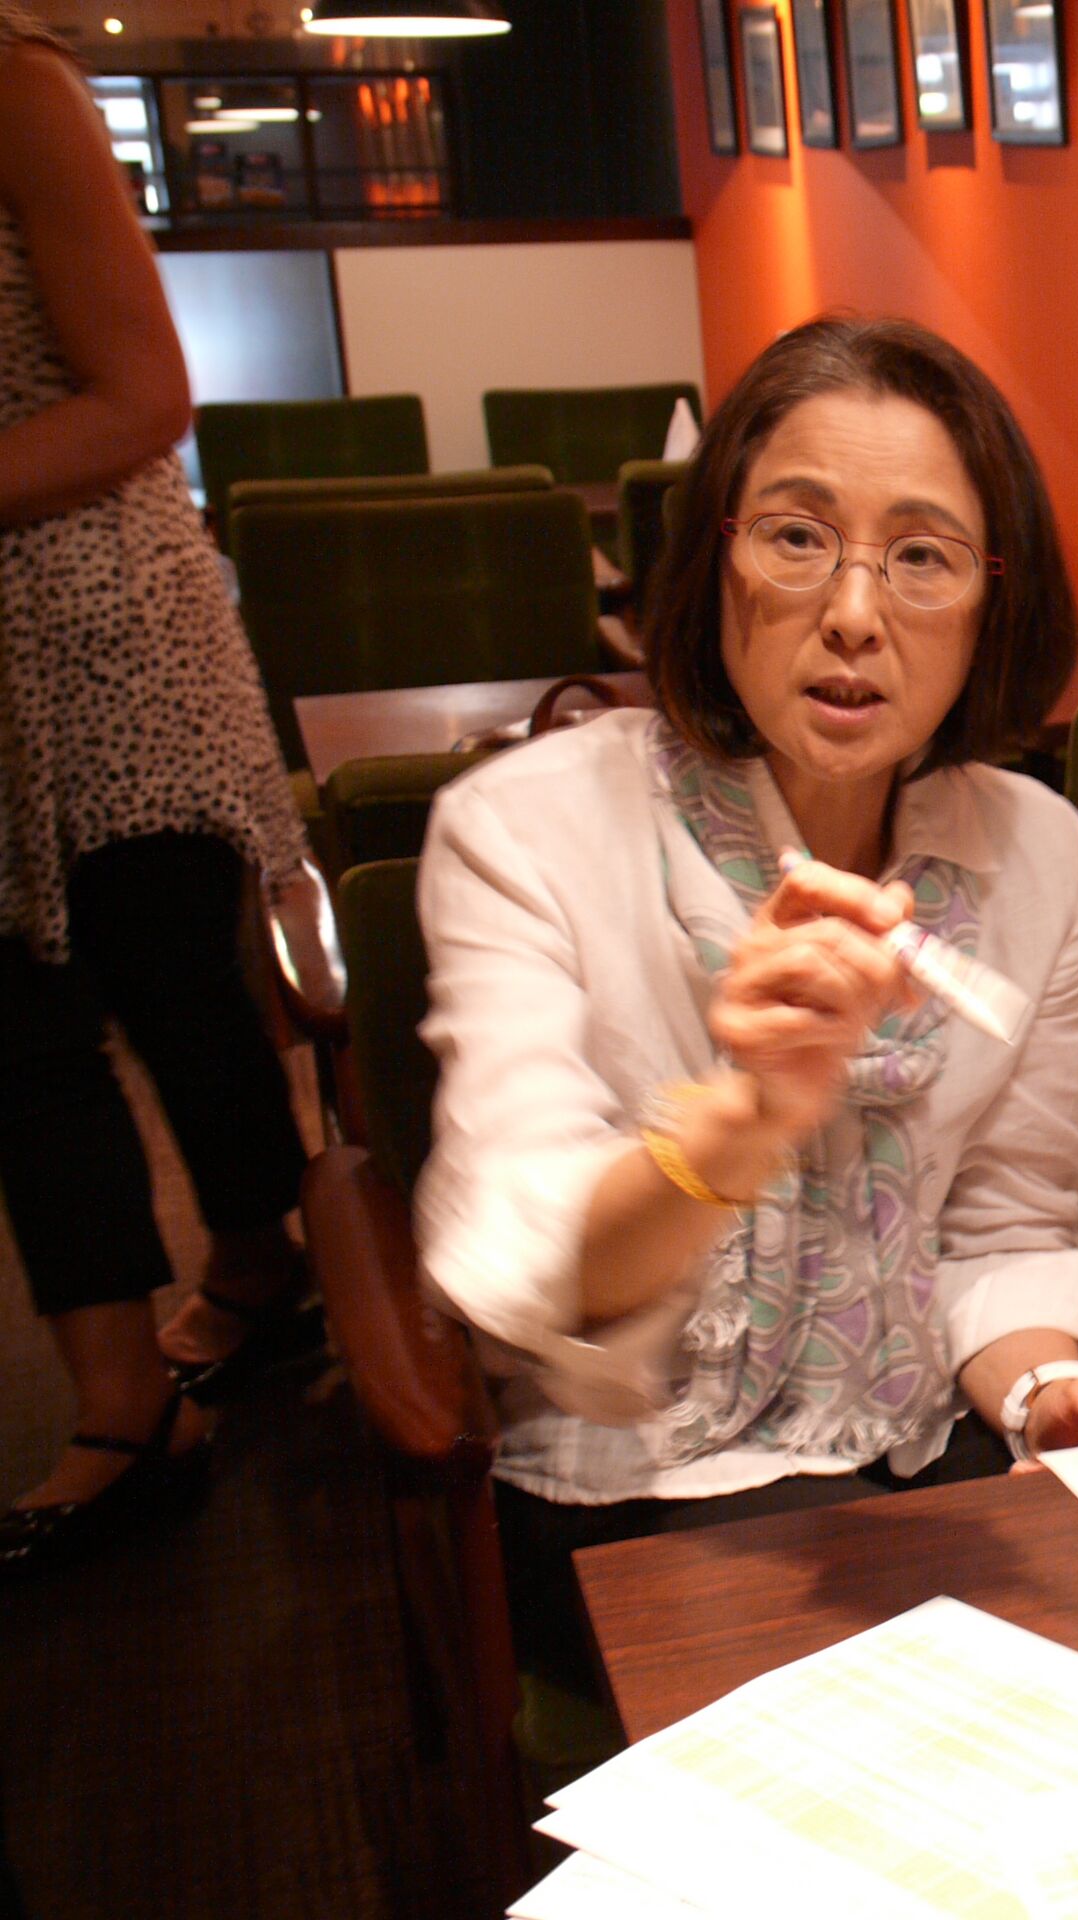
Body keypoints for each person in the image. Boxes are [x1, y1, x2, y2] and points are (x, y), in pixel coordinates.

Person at [414, 316, 1078, 1683]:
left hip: (922, 1450)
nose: (855, 614)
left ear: (992, 605)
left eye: (923, 557)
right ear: (714, 558)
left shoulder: (1039, 856)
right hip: (638, 1484)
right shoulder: (524, 830)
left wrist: (1050, 1389)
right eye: (797, 536)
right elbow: (534, 1270)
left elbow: (1000, 1224)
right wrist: (744, 1122)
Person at [0, 4, 312, 1573]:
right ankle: (124, 1408)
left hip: (99, 629)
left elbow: (142, 394)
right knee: (19, 1030)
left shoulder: (16, 79)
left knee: (175, 984)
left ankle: (262, 1266)